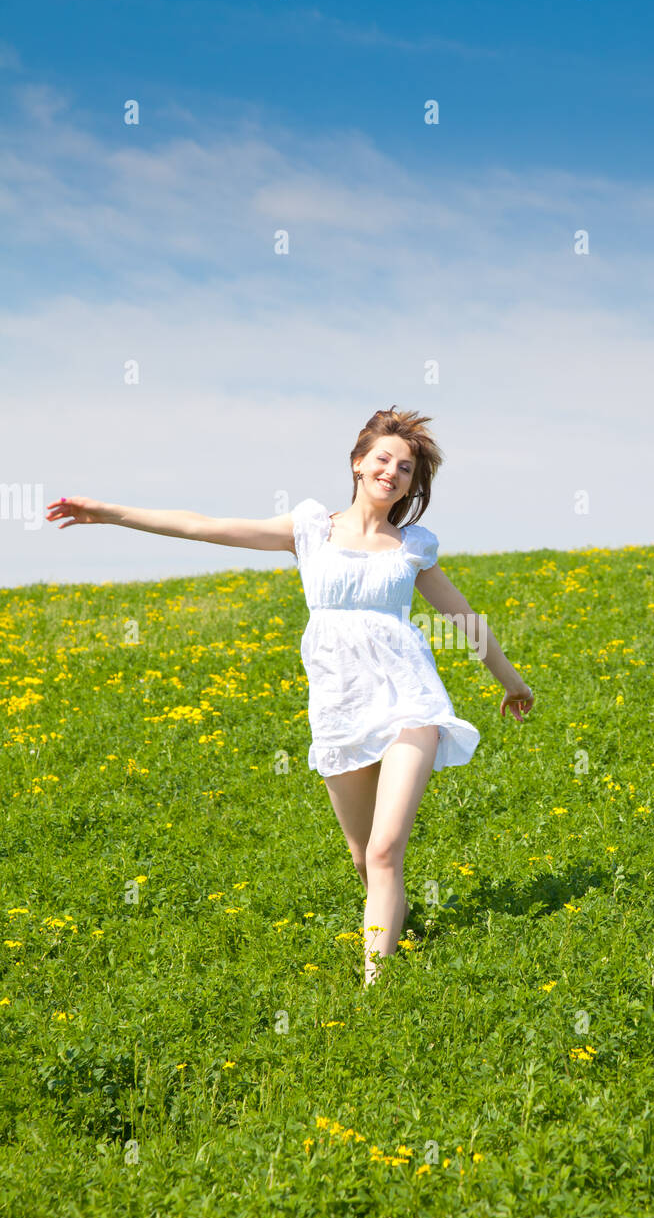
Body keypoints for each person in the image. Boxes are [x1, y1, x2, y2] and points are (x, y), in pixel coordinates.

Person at [45, 405, 535, 983]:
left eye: (405, 469)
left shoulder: (412, 547)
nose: (392, 473)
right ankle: (401, 918)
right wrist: (108, 512)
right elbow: (203, 525)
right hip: (340, 706)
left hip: (411, 700)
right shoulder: (310, 529)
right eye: (383, 459)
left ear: (411, 484)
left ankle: (377, 993)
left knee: (383, 851)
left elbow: (465, 620)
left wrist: (514, 683)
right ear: (358, 464)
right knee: (362, 858)